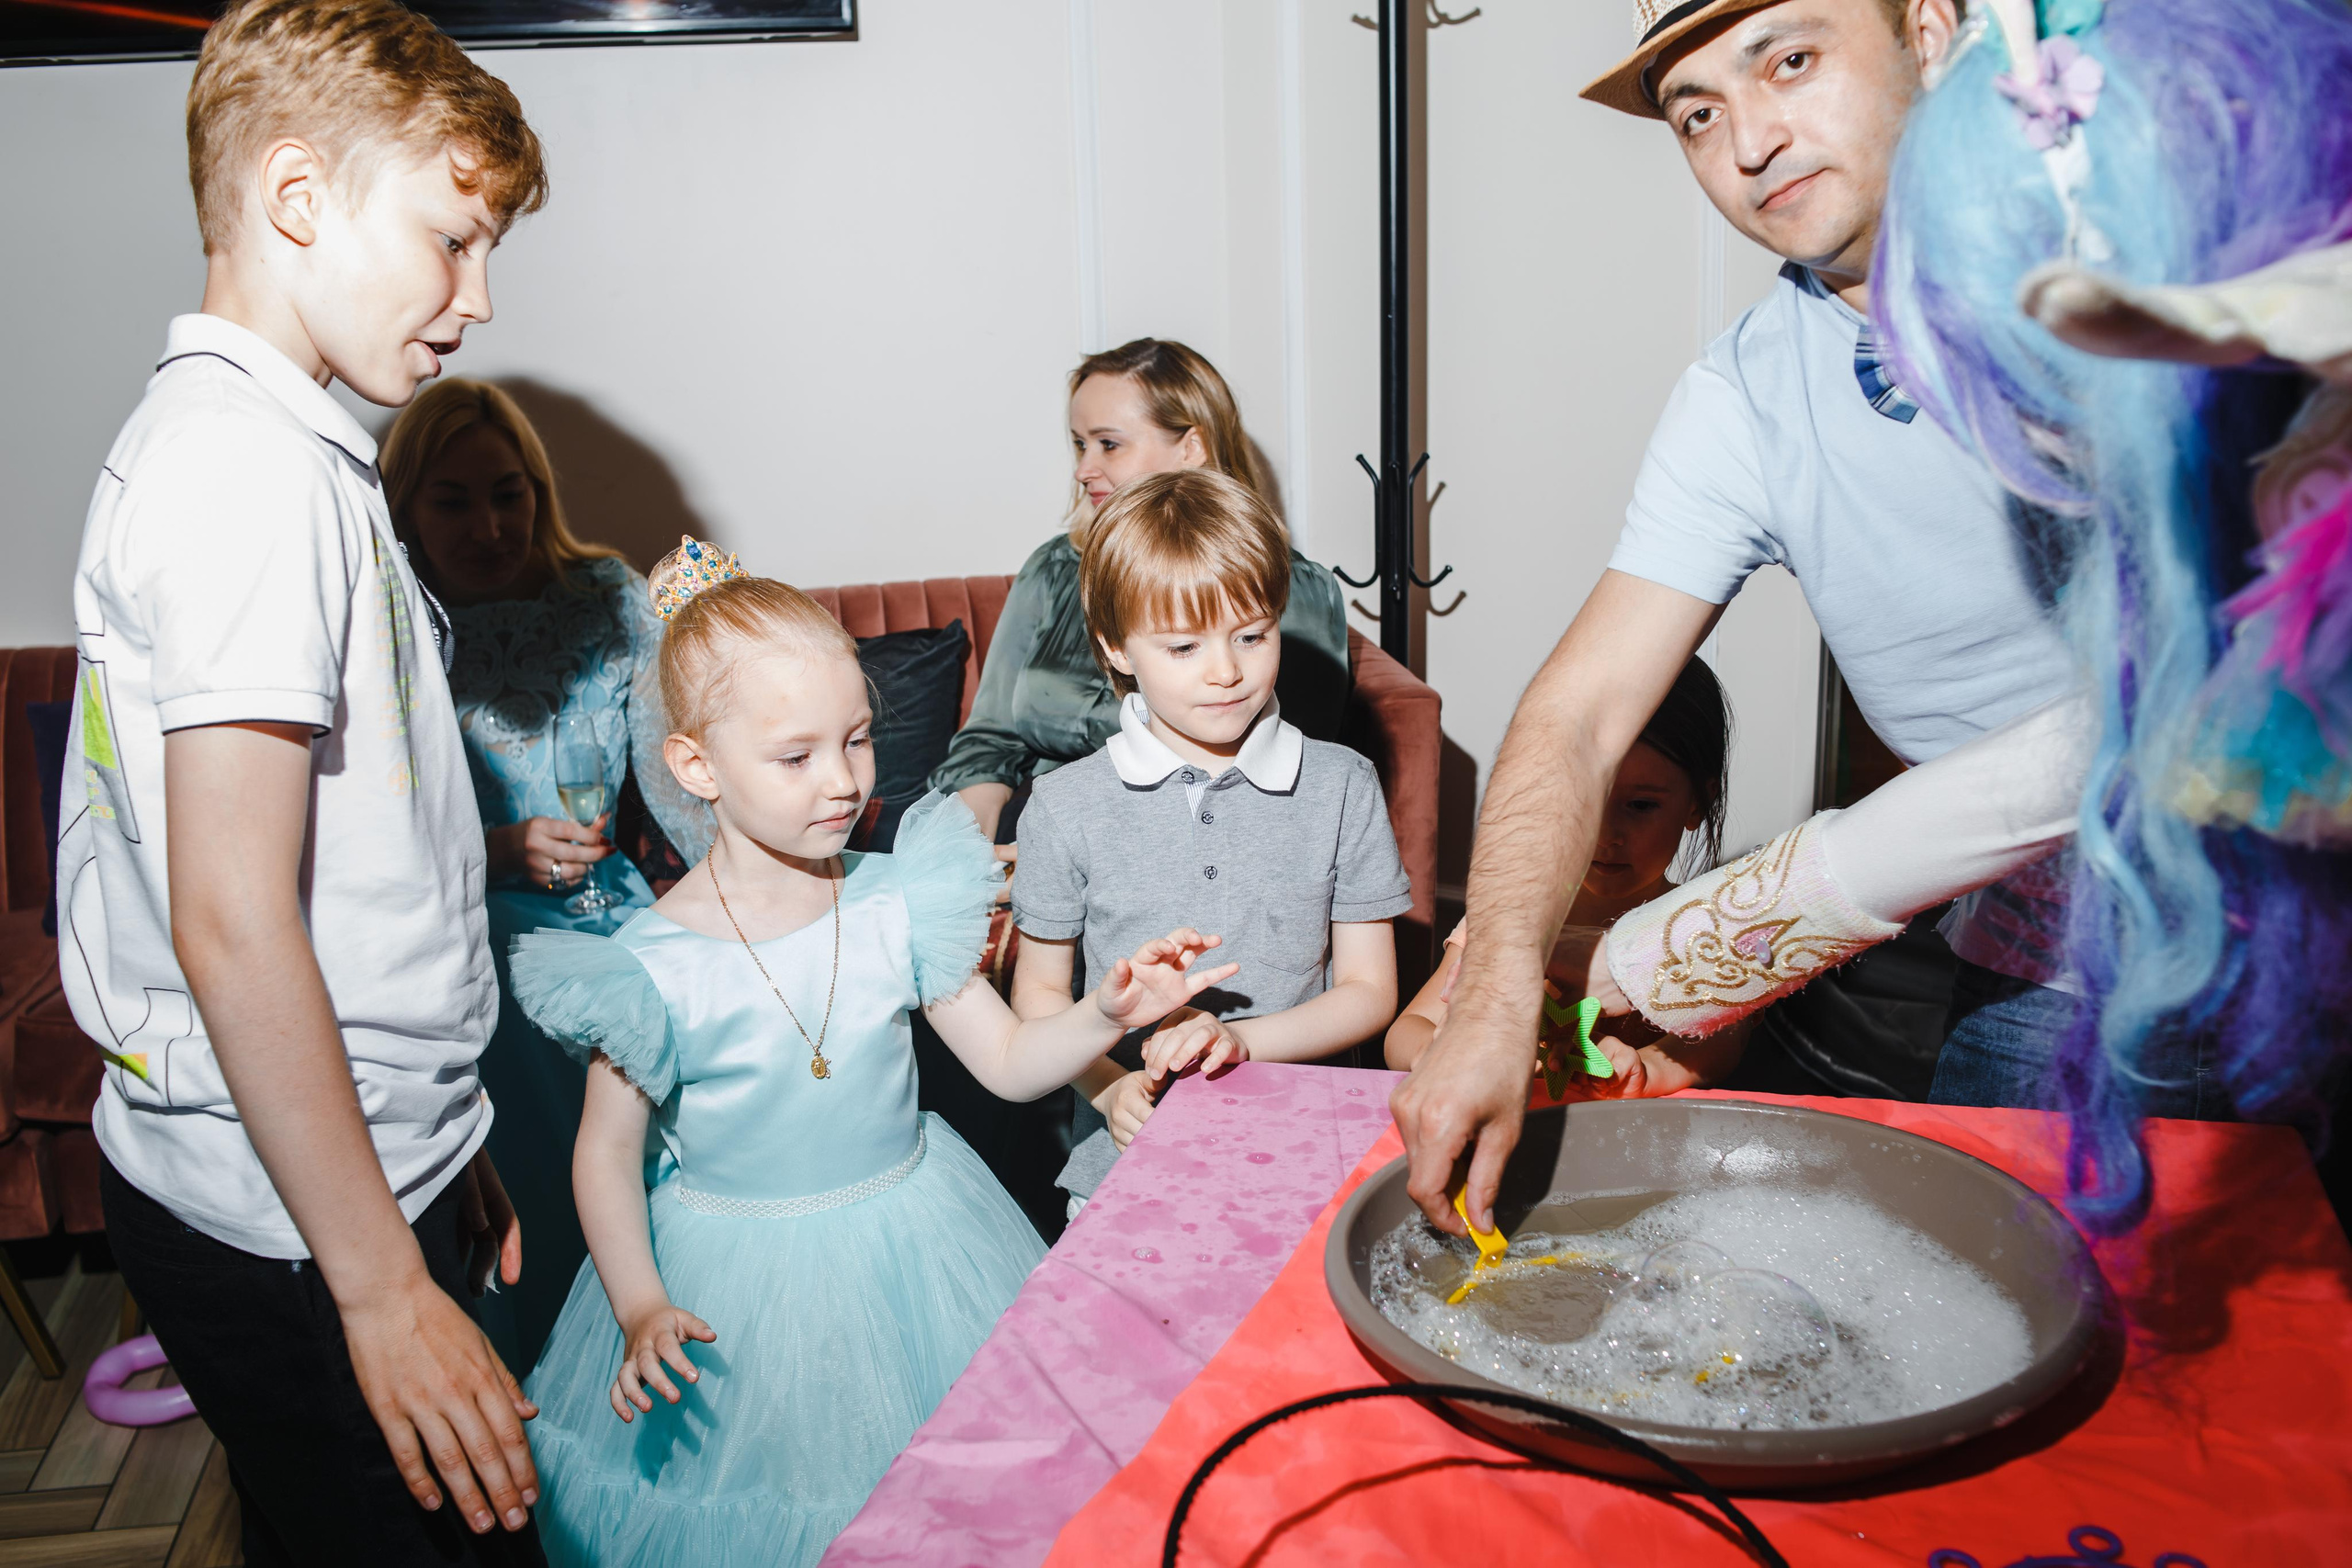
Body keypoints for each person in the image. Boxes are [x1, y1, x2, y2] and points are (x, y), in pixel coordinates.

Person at [1395, 0, 2090, 1237]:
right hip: (2037, 961)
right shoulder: (1741, 396)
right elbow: (1580, 711)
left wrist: (1662, 952)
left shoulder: (2148, 275)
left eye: (1792, 61)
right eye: (1697, 115)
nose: (1751, 142)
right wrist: (1497, 987)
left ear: (1930, 31)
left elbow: (2192, 706)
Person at [54, 2, 549, 1561]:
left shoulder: (277, 445)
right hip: (292, 1225)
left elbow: (365, 863)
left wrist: (436, 1139)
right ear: (295, 196)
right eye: (451, 240)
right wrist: (384, 1280)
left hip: (338, 1169)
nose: (478, 298)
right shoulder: (244, 472)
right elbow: (233, 919)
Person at [504, 541, 1241, 1567]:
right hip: (734, 1286)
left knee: (963, 1508)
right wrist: (639, 1304)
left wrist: (1106, 1012)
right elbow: (604, 1154)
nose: (845, 781)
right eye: (796, 757)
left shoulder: (897, 897)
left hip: (919, 1247)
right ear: (697, 767)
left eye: (856, 740)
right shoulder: (651, 965)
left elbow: (1009, 1060)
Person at [381, 378, 713, 1372]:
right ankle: (557, 1355)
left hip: (610, 909)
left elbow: (673, 783)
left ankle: (673, 1320)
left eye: (508, 493)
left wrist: (761, 895)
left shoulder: (607, 595)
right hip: (464, 923)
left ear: (538, 490)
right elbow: (365, 834)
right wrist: (490, 852)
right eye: (452, 501)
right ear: (407, 507)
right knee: (513, 1027)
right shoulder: (388, 617)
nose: (489, 527)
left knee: (665, 998)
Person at [1010, 469, 1410, 1213]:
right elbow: (1037, 996)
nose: (1226, 671)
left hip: (1309, 1157)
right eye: (1184, 646)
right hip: (1127, 1170)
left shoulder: (1343, 784)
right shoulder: (1064, 806)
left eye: (1252, 635)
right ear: (1117, 647)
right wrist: (1108, 1088)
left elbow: (1369, 992)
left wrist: (1244, 1042)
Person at [929, 338, 1352, 844]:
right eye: (1080, 444)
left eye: (1108, 444)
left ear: (1191, 448)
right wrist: (975, 857)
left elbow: (1283, 773)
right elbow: (989, 741)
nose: (1083, 469)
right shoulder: (1054, 568)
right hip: (1034, 823)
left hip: (1198, 840)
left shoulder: (1291, 588)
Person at [1386, 659, 1750, 1095]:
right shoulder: (1515, 915)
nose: (1606, 835)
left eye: (1640, 806)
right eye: (1585, 799)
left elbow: (1725, 1038)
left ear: (1697, 803)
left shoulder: (1704, 924)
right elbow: (1405, 1031)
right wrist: (1434, 1048)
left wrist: (1650, 1067)